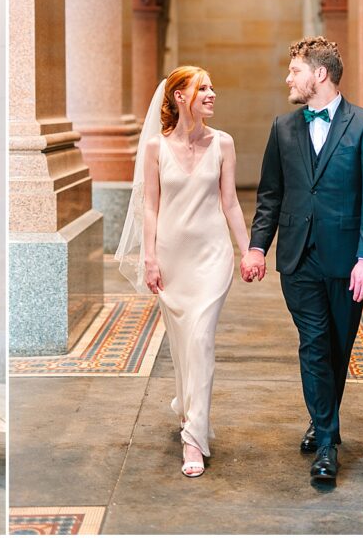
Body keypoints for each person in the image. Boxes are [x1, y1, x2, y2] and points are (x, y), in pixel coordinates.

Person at [241, 37, 363, 485]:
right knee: (313, 343)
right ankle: (327, 442)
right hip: (298, 258)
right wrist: (256, 247)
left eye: (295, 70)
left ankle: (321, 419)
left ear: (319, 74)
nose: (288, 78)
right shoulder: (282, 128)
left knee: (336, 349)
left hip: (347, 261)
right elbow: (270, 195)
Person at [117, 67, 253, 478]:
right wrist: (150, 257)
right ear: (180, 97)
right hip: (172, 259)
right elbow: (151, 206)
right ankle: (188, 404)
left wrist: (249, 252)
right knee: (181, 345)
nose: (213, 93)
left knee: (200, 339)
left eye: (212, 86)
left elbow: (230, 203)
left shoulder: (223, 143)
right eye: (203, 88)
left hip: (212, 258)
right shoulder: (155, 148)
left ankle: (193, 438)